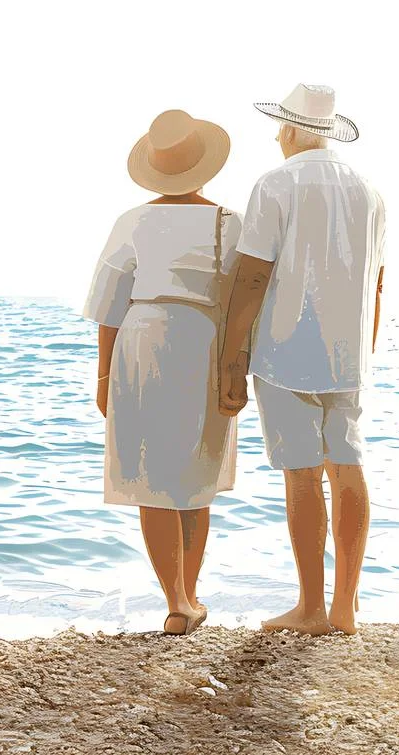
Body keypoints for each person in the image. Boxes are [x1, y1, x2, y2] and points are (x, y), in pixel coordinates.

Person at [218, 83, 386, 636]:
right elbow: (377, 282)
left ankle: (311, 608)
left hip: (285, 349)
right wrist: (363, 352)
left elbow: (252, 276)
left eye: (279, 128)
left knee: (302, 475)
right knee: (348, 466)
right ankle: (346, 608)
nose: (276, 137)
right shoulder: (369, 191)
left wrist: (231, 358)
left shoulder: (276, 184)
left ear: (291, 129)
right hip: (349, 354)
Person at [83, 108, 244, 636]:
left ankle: (176, 601)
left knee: (152, 477)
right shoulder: (230, 222)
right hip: (204, 339)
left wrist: (103, 377)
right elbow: (243, 302)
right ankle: (188, 596)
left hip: (143, 337)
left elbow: (110, 306)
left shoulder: (133, 221)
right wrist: (237, 366)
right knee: (196, 473)